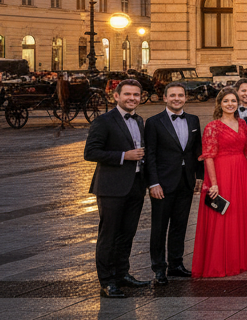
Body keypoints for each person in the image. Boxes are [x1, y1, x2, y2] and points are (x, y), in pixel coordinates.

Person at [84, 80, 151, 297]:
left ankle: (122, 274)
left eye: (136, 95)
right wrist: (124, 156)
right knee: (109, 235)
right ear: (116, 96)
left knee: (127, 234)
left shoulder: (139, 120)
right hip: (111, 187)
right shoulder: (104, 121)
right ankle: (107, 281)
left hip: (135, 185)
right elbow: (91, 152)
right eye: (127, 94)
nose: (132, 98)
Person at [191, 88, 247, 278]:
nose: (230, 104)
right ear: (220, 104)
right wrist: (213, 184)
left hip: (242, 173)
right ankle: (223, 261)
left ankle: (243, 259)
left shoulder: (242, 124)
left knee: (242, 215)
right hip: (222, 173)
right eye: (226, 101)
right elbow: (208, 156)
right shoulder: (212, 127)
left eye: (233, 101)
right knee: (225, 215)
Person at [143, 81, 201, 285]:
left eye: (180, 95)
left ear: (186, 98)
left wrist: (199, 176)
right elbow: (150, 155)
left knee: (180, 225)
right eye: (173, 95)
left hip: (186, 181)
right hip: (163, 183)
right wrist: (153, 183)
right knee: (159, 227)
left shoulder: (193, 120)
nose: (177, 99)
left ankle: (176, 264)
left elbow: (196, 151)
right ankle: (159, 268)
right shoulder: (153, 122)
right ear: (165, 98)